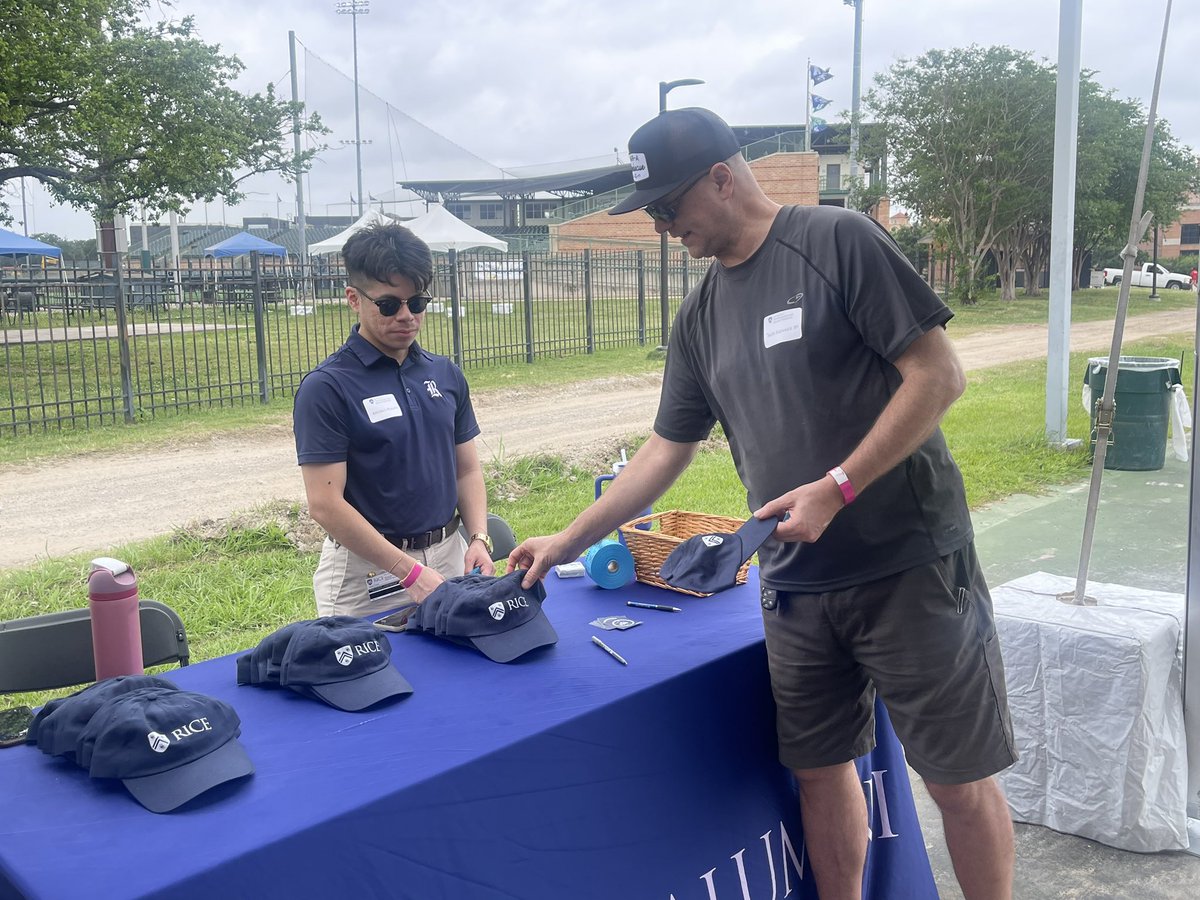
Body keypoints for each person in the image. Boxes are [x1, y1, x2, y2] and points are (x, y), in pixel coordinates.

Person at [508, 108, 1017, 900]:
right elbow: (665, 450)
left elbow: (938, 376)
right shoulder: (701, 315)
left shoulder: (837, 242)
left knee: (957, 781)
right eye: (651, 214)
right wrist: (566, 539)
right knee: (819, 775)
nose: (662, 226)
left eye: (669, 207)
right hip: (795, 582)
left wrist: (839, 487)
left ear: (722, 177)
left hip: (908, 565)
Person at [293, 222, 494, 619]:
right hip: (368, 573)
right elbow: (325, 504)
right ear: (353, 298)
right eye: (389, 305)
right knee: (368, 677)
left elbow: (466, 469)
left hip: (449, 557)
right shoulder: (328, 386)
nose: (406, 316)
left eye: (417, 303)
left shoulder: (444, 374)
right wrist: (408, 571)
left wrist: (479, 538)